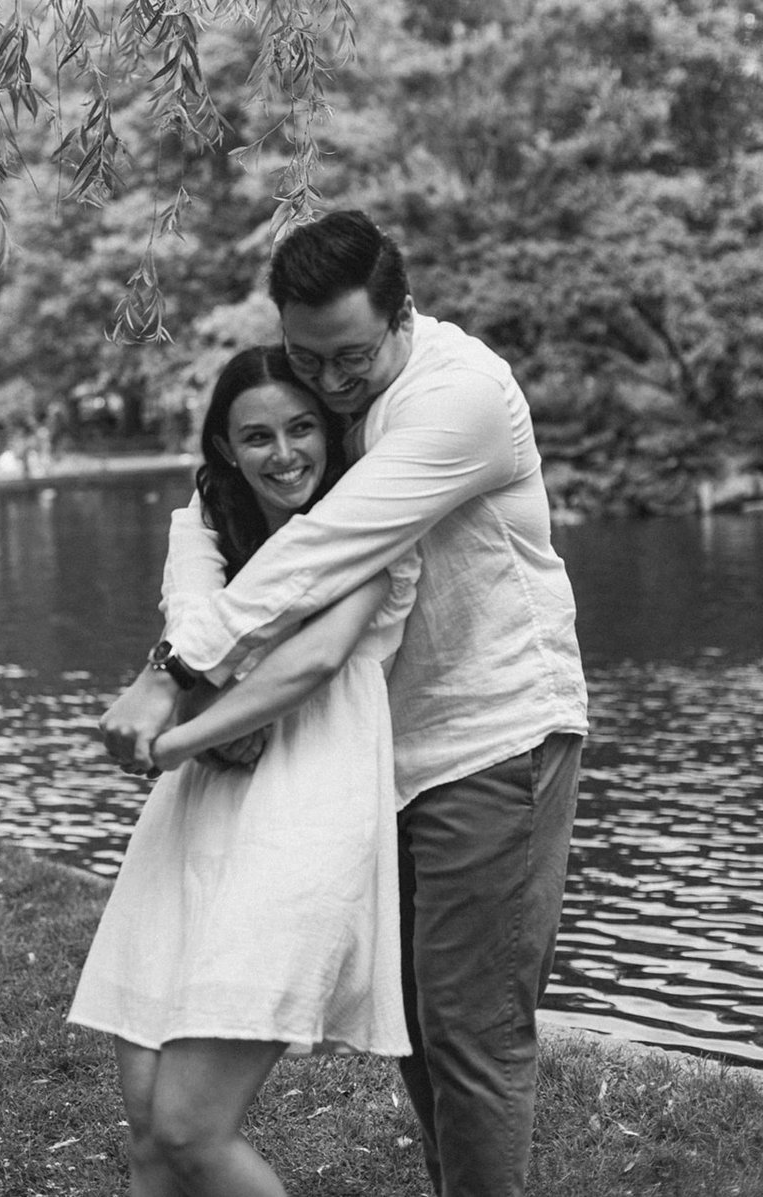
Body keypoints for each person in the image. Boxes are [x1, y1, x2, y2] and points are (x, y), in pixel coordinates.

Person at [100, 210, 589, 1197]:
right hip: (380, 755)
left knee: (471, 1030)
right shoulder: (338, 405)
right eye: (306, 357)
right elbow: (217, 506)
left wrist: (173, 675)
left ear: (403, 313)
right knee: (422, 1028)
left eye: (348, 358)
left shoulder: (456, 399)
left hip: (488, 736)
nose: (327, 382)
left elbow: (323, 552)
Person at [72, 345, 420, 1197]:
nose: (286, 452)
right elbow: (196, 613)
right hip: (196, 811)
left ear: (330, 433)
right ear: (226, 447)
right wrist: (194, 708)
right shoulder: (202, 515)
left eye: (303, 427)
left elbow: (315, 659)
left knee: (192, 1127)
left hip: (309, 797)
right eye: (257, 435)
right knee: (150, 1122)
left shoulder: (369, 518)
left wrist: (182, 734)